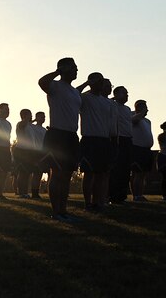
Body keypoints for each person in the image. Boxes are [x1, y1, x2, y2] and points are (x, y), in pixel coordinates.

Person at [38, 58, 82, 221]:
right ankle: (56, 212)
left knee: (67, 175)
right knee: (57, 174)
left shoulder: (75, 92)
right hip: (57, 134)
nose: (76, 70)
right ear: (65, 68)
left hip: (71, 136)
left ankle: (63, 211)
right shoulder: (55, 86)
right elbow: (41, 81)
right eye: (73, 67)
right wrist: (59, 71)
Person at [76, 73, 116, 212]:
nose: (102, 84)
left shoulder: (107, 102)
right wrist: (87, 83)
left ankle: (99, 202)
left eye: (103, 81)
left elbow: (110, 123)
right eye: (99, 81)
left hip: (104, 140)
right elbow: (74, 93)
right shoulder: (85, 97)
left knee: (102, 173)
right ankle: (88, 203)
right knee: (89, 173)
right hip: (90, 139)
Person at [109, 86, 133, 204]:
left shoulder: (128, 109)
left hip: (128, 140)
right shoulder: (112, 105)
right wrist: (114, 98)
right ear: (117, 94)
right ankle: (113, 196)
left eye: (127, 93)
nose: (127, 95)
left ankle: (122, 196)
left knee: (125, 169)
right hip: (118, 139)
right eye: (124, 93)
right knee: (116, 169)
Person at [130, 100, 154, 202]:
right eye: (144, 107)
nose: (147, 109)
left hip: (147, 150)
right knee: (137, 173)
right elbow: (133, 121)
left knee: (143, 174)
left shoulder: (147, 121)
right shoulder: (133, 116)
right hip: (137, 148)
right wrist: (140, 113)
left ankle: (141, 194)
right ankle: (136, 195)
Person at [13, 109, 36, 199]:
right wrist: (28, 118)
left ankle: (25, 192)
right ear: (25, 115)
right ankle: (21, 192)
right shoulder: (20, 124)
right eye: (30, 114)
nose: (31, 116)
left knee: (27, 173)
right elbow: (23, 124)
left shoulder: (30, 126)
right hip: (21, 151)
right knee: (22, 172)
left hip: (29, 151)